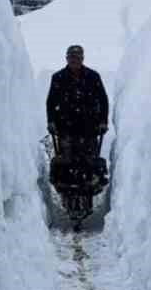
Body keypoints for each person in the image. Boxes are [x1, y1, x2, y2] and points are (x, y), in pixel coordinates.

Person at [46, 45, 109, 188]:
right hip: (65, 126)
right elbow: (51, 102)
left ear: (82, 59)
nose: (74, 61)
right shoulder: (58, 78)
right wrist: (51, 121)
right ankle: (65, 185)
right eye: (72, 58)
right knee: (66, 158)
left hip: (89, 126)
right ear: (67, 59)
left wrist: (103, 121)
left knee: (89, 158)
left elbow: (103, 100)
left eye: (77, 58)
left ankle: (90, 184)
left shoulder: (93, 77)